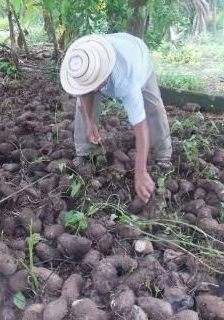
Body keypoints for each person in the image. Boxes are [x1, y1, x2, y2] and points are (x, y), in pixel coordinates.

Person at [59, 33, 172, 203]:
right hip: (111, 55)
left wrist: (140, 172)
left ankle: (163, 155)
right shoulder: (83, 59)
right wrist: (90, 123)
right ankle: (85, 151)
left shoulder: (127, 80)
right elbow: (84, 93)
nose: (89, 89)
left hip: (138, 56)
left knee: (153, 107)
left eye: (92, 86)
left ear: (102, 78)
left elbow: (141, 129)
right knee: (81, 105)